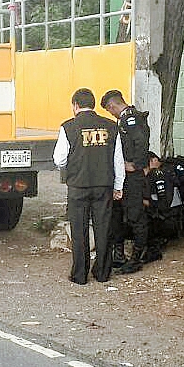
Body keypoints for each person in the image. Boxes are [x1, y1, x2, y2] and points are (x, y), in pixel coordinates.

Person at [53, 88, 124, 285]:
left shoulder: (68, 127)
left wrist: (72, 167)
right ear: (92, 105)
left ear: (75, 105)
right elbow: (118, 160)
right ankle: (102, 273)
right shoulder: (111, 126)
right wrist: (118, 186)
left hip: (78, 186)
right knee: (104, 229)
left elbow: (59, 159)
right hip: (104, 185)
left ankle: (79, 275)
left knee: (79, 230)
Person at [100, 89, 150, 275]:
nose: (110, 114)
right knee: (118, 213)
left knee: (136, 215)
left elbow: (141, 142)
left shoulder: (131, 118)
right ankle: (118, 254)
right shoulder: (124, 119)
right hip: (122, 175)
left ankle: (138, 257)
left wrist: (136, 165)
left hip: (133, 176)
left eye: (109, 110)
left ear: (112, 106)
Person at [144, 152, 182, 263]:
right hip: (172, 217)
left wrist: (145, 202)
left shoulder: (158, 175)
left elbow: (163, 205)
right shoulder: (163, 172)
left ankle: (154, 247)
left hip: (168, 219)